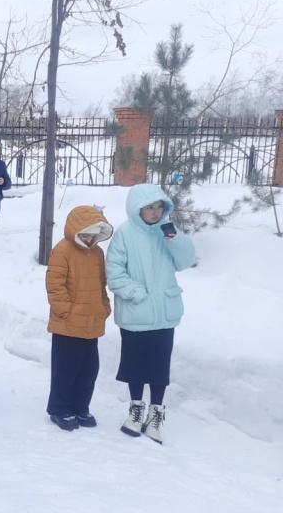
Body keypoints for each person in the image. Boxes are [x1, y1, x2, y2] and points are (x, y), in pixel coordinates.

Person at [106, 184, 195, 444]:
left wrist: (175, 240)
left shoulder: (168, 231)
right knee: (135, 365)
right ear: (137, 209)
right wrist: (134, 292)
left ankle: (156, 413)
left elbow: (186, 261)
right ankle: (135, 410)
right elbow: (114, 270)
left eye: (159, 207)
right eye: (149, 207)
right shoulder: (124, 234)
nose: (155, 213)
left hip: (164, 313)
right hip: (136, 311)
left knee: (159, 366)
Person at [45, 206, 113, 431]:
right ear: (75, 230)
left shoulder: (97, 253)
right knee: (66, 369)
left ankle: (80, 406)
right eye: (85, 233)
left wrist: (104, 306)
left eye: (94, 234)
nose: (89, 238)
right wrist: (66, 310)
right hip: (67, 323)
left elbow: (100, 283)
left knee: (88, 369)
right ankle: (60, 408)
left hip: (92, 321)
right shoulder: (63, 250)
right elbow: (55, 284)